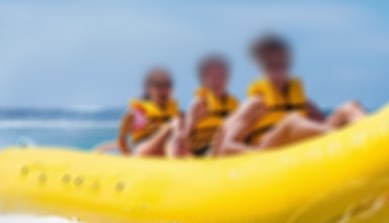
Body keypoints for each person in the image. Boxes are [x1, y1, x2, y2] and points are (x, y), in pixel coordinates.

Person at [214, 34, 366, 155]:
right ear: (263, 67)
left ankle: (369, 140)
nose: (278, 69)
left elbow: (322, 123)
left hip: (298, 152)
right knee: (292, 122)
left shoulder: (303, 103)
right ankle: (348, 142)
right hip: (266, 157)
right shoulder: (255, 103)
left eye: (281, 64)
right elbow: (226, 146)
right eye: (272, 65)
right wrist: (255, 156)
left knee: (350, 107)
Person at [170, 55, 239, 157]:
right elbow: (186, 132)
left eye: (220, 75)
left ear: (227, 79)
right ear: (204, 80)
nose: (216, 80)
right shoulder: (200, 102)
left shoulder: (235, 105)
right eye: (212, 76)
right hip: (201, 150)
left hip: (227, 147)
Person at [115, 68, 180, 157]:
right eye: (158, 86)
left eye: (167, 85)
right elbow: (121, 141)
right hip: (144, 150)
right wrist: (130, 160)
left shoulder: (175, 111)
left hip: (167, 148)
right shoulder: (139, 113)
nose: (163, 90)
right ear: (149, 89)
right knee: (175, 124)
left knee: (178, 124)